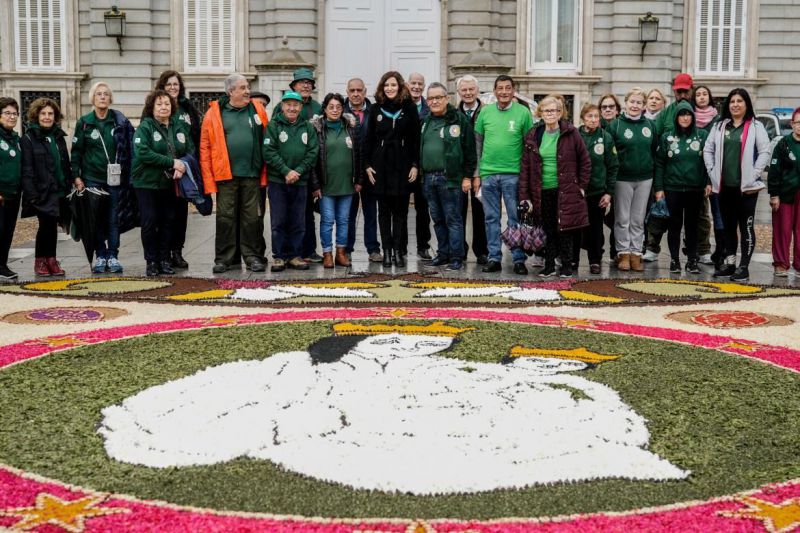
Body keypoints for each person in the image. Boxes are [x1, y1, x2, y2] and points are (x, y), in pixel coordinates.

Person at [200, 73, 269, 274]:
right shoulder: (214, 113)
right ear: (231, 92)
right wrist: (208, 179)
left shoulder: (257, 109)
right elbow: (204, 147)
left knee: (252, 219)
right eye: (243, 88)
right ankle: (224, 259)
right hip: (225, 176)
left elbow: (267, 137)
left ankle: (252, 257)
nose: (248, 91)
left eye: (247, 87)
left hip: (252, 174)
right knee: (225, 218)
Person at [519, 95, 591, 278]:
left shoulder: (571, 132)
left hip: (565, 190)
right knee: (548, 229)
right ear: (540, 113)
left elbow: (585, 161)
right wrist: (524, 195)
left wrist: (581, 186)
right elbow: (526, 166)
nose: (550, 114)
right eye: (546, 110)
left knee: (565, 229)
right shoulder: (534, 134)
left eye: (554, 110)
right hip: (542, 191)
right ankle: (549, 265)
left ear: (560, 113)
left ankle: (566, 265)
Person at [703, 88, 771, 282]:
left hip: (747, 189)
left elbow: (765, 152)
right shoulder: (720, 126)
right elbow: (708, 149)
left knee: (746, 226)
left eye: (739, 101)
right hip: (724, 187)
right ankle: (731, 262)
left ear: (747, 104)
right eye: (732, 101)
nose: (735, 104)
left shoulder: (756, 126)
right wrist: (712, 170)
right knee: (728, 227)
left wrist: (754, 174)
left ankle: (744, 267)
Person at [71, 82, 135, 274]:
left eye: (106, 94)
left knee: (113, 218)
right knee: (96, 219)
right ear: (92, 98)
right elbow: (76, 152)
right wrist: (76, 177)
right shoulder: (84, 122)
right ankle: (100, 254)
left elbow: (129, 148)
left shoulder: (118, 121)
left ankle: (113, 255)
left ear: (110, 98)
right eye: (98, 94)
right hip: (92, 179)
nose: (102, 97)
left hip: (115, 179)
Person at [474, 75, 534, 275]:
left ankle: (518, 258)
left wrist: (527, 176)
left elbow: (528, 145)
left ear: (513, 90)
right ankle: (494, 257)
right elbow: (478, 145)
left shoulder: (523, 113)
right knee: (491, 217)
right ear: (494, 91)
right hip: (488, 174)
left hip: (513, 174)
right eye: (500, 88)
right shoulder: (485, 113)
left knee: (514, 218)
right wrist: (477, 173)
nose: (504, 92)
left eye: (508, 88)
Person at [132, 90, 193, 277]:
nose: (163, 107)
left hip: (170, 183)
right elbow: (143, 153)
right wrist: (171, 162)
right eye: (159, 104)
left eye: (166, 103)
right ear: (151, 107)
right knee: (150, 222)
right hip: (147, 183)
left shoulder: (179, 126)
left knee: (168, 221)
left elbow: (189, 148)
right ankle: (151, 261)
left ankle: (165, 259)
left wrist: (183, 164)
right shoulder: (145, 127)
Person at [363, 71, 420, 268]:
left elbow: (415, 139)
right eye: (386, 85)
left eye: (393, 85)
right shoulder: (376, 109)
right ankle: (386, 251)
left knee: (401, 212)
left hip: (402, 165)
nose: (390, 88)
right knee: (384, 212)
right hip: (380, 166)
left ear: (400, 87)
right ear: (382, 87)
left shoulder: (409, 108)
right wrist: (367, 165)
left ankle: (398, 251)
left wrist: (415, 165)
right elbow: (368, 139)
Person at [419, 82, 476, 271]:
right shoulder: (426, 121)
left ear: (447, 98)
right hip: (429, 178)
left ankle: (456, 256)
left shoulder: (458, 120)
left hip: (450, 178)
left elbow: (470, 151)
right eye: (431, 98)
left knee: (453, 219)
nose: (434, 101)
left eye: (438, 98)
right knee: (437, 219)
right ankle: (442, 253)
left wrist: (467, 177)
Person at [263, 91, 320, 272]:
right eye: (288, 104)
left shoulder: (307, 128)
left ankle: (295, 255)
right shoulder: (273, 126)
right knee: (278, 220)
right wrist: (286, 171)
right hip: (278, 181)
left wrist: (299, 171)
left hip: (300, 182)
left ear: (301, 107)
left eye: (295, 105)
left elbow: (313, 152)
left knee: (298, 221)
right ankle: (279, 256)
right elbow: (269, 151)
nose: (292, 108)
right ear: (282, 106)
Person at [274, 68, 324, 264]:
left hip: (311, 166)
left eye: (309, 82)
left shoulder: (318, 107)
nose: (306, 85)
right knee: (284, 213)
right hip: (285, 169)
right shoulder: (282, 107)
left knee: (307, 212)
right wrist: (285, 169)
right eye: (301, 82)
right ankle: (285, 252)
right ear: (293, 86)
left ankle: (308, 249)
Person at [653, 101, 709, 274]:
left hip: (695, 188)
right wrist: (659, 188)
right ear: (676, 117)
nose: (685, 118)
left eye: (688, 114)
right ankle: (674, 259)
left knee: (692, 225)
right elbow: (660, 163)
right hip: (672, 188)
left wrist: (708, 182)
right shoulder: (667, 137)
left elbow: (708, 162)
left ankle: (692, 259)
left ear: (693, 116)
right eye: (681, 114)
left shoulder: (702, 135)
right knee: (674, 225)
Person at [644, 74, 696, 262]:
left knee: (698, 219)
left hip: (694, 177)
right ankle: (653, 246)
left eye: (685, 91)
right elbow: (655, 138)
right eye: (678, 91)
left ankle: (698, 252)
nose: (682, 94)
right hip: (669, 173)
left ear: (691, 89)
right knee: (661, 211)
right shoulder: (666, 113)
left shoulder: (699, 110)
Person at [20, 97, 72, 277]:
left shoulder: (58, 136)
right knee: (45, 226)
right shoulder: (28, 138)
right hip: (42, 191)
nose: (47, 117)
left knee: (53, 227)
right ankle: (40, 261)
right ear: (36, 115)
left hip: (59, 189)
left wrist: (69, 184)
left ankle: (52, 259)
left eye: (50, 113)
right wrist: (32, 194)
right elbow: (27, 168)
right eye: (43, 113)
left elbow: (65, 162)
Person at [155, 70, 201, 270]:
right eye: (169, 84)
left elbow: (194, 137)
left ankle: (177, 252)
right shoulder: (156, 106)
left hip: (184, 168)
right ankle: (163, 253)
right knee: (165, 214)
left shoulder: (186, 108)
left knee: (181, 213)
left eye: (176, 84)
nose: (173, 88)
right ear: (162, 87)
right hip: (163, 169)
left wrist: (185, 163)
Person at [608, 87, 657, 272]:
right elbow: (610, 153)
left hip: (645, 178)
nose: (635, 105)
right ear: (626, 103)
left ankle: (637, 253)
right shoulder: (616, 125)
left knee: (638, 218)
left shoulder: (650, 126)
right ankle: (623, 253)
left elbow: (653, 150)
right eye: (632, 102)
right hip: (622, 178)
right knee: (622, 218)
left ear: (644, 105)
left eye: (639, 102)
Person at [310, 93, 360, 268]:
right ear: (324, 109)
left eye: (338, 107)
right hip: (325, 186)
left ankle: (341, 253)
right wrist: (315, 185)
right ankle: (327, 253)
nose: (335, 110)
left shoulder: (350, 128)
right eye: (331, 106)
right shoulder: (317, 129)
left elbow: (358, 156)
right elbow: (312, 160)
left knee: (344, 220)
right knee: (328, 220)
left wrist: (359, 180)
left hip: (347, 185)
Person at [576, 103, 619, 275]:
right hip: (578, 192)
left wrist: (609, 192)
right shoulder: (576, 135)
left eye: (596, 116)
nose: (593, 120)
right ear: (583, 118)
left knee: (596, 228)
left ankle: (595, 260)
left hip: (597, 191)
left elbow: (613, 166)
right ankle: (573, 259)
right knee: (577, 228)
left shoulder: (606, 137)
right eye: (589, 116)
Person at [343, 78, 382, 263]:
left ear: (365, 92)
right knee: (348, 213)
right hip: (349, 170)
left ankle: (373, 249)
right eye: (352, 90)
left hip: (370, 171)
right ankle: (347, 249)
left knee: (370, 212)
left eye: (359, 90)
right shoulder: (339, 111)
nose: (356, 93)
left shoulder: (375, 111)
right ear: (347, 92)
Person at [456, 75, 488, 264]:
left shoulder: (487, 112)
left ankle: (481, 251)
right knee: (458, 212)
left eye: (471, 89)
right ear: (459, 92)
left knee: (481, 212)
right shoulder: (454, 113)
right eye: (464, 90)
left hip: (482, 171)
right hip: (460, 173)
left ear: (477, 90)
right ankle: (460, 249)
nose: (468, 93)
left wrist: (479, 174)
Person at [767, 107, 800, 276]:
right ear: (792, 124)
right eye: (798, 122)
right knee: (783, 229)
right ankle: (781, 263)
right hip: (785, 193)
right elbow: (774, 171)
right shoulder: (783, 144)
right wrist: (774, 194)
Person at [692, 85, 720, 265]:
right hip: (691, 172)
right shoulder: (687, 116)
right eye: (698, 95)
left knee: (705, 215)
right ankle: (690, 250)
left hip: (711, 173)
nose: (701, 97)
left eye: (704, 94)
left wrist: (710, 178)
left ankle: (705, 249)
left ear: (710, 97)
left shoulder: (717, 120)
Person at [406, 71, 432, 260]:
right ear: (407, 85)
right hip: (404, 165)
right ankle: (400, 246)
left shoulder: (429, 108)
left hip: (423, 166)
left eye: (419, 84)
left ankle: (423, 245)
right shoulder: (400, 105)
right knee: (399, 208)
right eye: (413, 83)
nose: (416, 86)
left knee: (423, 209)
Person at [598, 93, 622, 259]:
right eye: (604, 107)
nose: (607, 110)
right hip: (600, 178)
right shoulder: (595, 126)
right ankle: (597, 252)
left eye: (611, 107)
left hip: (619, 177)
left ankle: (616, 250)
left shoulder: (622, 126)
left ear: (617, 110)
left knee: (618, 216)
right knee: (598, 218)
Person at [0, 98, 21, 280]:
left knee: (7, 231)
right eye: (7, 113)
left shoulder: (16, 138)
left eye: (14, 113)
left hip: (13, 194)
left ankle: (2, 265)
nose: (12, 117)